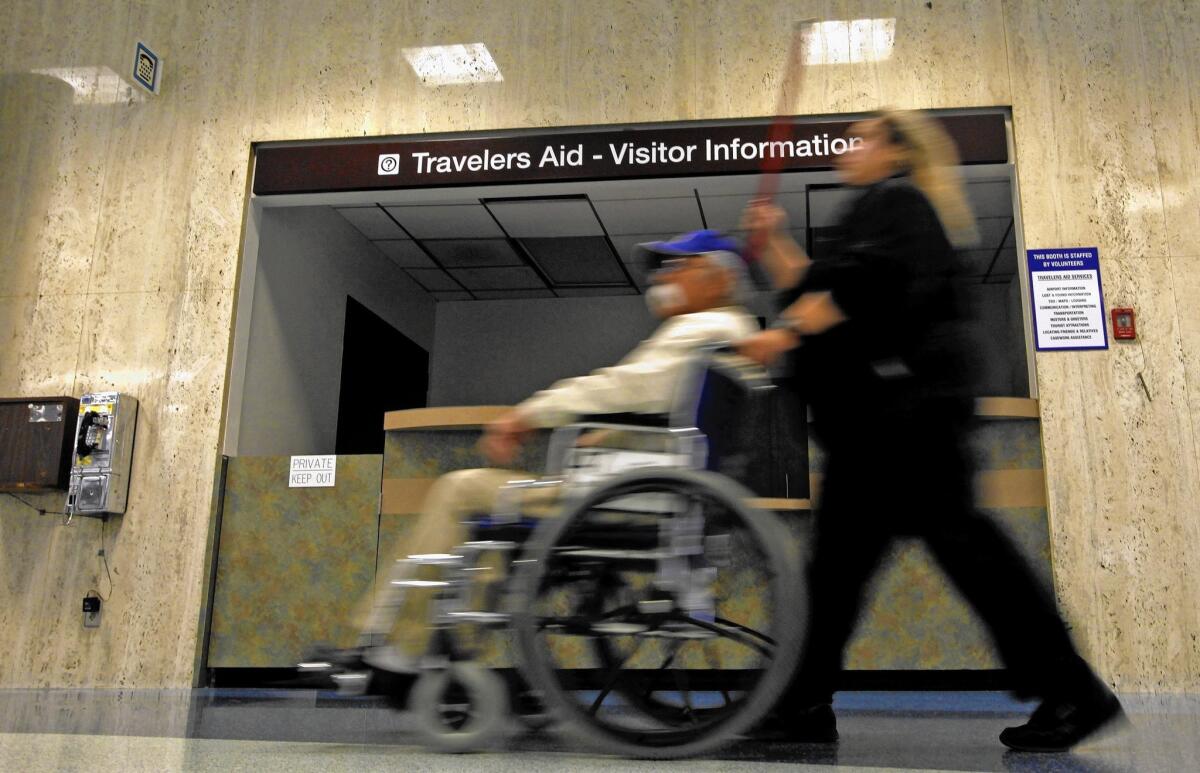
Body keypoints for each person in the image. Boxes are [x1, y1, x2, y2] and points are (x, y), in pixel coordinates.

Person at [738, 109, 1125, 752]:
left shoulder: (899, 199)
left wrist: (782, 333)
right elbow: (823, 290)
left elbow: (860, 291)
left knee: (954, 560)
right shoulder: (887, 208)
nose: (847, 145)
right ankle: (800, 700)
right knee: (850, 570)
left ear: (895, 150)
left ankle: (1075, 692)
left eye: (861, 137)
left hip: (903, 423)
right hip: (887, 425)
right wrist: (774, 241)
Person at [305, 230, 759, 684]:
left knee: (461, 489)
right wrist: (618, 439)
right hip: (655, 492)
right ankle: (440, 647)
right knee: (500, 525)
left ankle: (397, 649)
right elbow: (669, 410)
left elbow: (619, 386)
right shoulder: (733, 334)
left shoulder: (700, 329)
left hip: (625, 500)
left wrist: (527, 414)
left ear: (716, 276)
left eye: (681, 266)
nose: (666, 277)